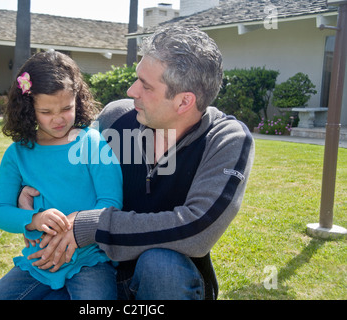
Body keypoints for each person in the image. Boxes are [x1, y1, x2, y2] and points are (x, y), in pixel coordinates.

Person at [19, 26, 255, 300]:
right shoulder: (116, 118)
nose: (132, 91)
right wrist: (27, 192)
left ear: (184, 101)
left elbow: (196, 229)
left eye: (146, 85)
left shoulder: (226, 139)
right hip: (93, 270)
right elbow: (67, 161)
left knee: (160, 264)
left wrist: (92, 226)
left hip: (166, 283)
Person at [0, 51, 123, 300]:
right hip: (39, 263)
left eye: (66, 108)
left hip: (90, 262)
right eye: (46, 112)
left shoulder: (92, 142)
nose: (58, 119)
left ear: (77, 100)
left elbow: (111, 203)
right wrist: (34, 219)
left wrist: (75, 227)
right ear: (28, 108)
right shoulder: (18, 154)